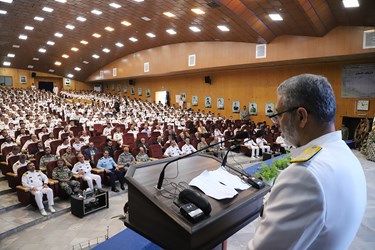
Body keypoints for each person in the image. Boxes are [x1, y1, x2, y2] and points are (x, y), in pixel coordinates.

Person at [248, 74, 367, 249]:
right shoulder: (346, 155)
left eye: (279, 115)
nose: (277, 123)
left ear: (301, 116)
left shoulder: (303, 174)